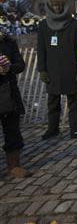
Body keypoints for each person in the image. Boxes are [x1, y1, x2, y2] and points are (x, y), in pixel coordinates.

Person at [37, 0, 77, 140]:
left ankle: (75, 129)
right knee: (53, 101)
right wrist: (42, 69)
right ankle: (53, 128)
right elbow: (41, 49)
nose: (57, 8)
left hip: (70, 69)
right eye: (55, 5)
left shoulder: (74, 24)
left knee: (73, 101)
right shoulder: (44, 25)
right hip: (52, 69)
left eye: (60, 5)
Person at [0, 24, 31, 178]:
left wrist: (8, 67)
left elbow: (20, 65)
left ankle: (14, 165)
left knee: (12, 131)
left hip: (8, 94)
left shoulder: (8, 42)